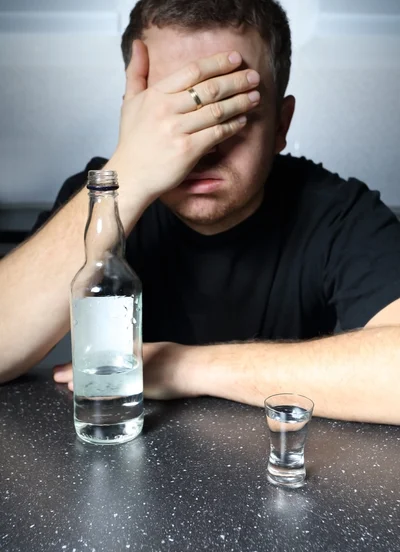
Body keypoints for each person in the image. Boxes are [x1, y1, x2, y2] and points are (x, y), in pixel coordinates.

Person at [1, 0, 400, 425]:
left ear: (281, 126)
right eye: (177, 116)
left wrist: (182, 366)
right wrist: (130, 167)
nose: (203, 148)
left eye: (234, 114)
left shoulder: (337, 211)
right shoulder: (98, 199)